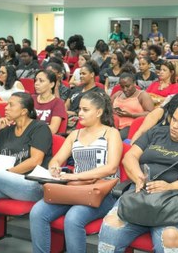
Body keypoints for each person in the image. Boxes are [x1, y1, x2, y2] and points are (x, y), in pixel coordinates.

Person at [98, 99, 178, 252]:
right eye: (173, 119)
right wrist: (138, 177)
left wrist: (170, 187)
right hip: (141, 195)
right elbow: (130, 157)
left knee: (170, 237)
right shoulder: (156, 133)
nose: (174, 126)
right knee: (110, 226)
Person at [30, 91, 123, 253]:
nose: (80, 113)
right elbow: (56, 160)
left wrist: (75, 176)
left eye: (85, 110)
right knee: (37, 212)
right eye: (79, 109)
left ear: (99, 112)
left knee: (73, 218)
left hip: (103, 192)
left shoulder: (111, 133)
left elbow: (111, 168)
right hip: (75, 189)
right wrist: (54, 167)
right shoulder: (74, 134)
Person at [0, 92, 53, 244]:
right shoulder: (6, 130)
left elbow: (35, 160)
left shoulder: (39, 128)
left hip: (33, 185)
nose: (6, 107)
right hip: (6, 184)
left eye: (11, 105)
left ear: (24, 111)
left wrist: (7, 174)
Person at [112, 73, 155, 139]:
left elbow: (151, 114)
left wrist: (131, 115)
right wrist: (114, 110)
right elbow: (107, 108)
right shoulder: (118, 94)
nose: (125, 89)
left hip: (131, 127)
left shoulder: (142, 95)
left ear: (134, 83)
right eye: (122, 87)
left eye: (128, 86)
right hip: (114, 124)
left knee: (115, 138)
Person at [33, 70, 67, 134]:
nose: (36, 83)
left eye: (41, 81)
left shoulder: (58, 103)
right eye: (36, 80)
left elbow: (53, 129)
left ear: (51, 84)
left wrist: (30, 129)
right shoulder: (31, 99)